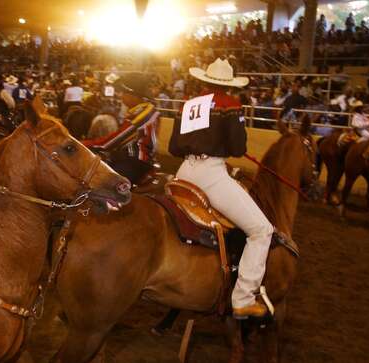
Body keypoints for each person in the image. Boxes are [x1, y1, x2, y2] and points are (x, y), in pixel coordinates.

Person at [169, 58, 274, 319]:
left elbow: (173, 148)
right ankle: (243, 298)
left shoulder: (188, 104)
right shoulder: (230, 104)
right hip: (211, 174)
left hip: (184, 172)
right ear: (229, 85)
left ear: (204, 80)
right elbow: (238, 148)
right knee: (262, 231)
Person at [83, 72, 160, 185]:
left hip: (134, 161)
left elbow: (110, 142)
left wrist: (83, 144)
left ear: (132, 94)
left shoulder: (143, 113)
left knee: (103, 186)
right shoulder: (142, 110)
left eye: (123, 93)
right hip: (128, 157)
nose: (121, 96)